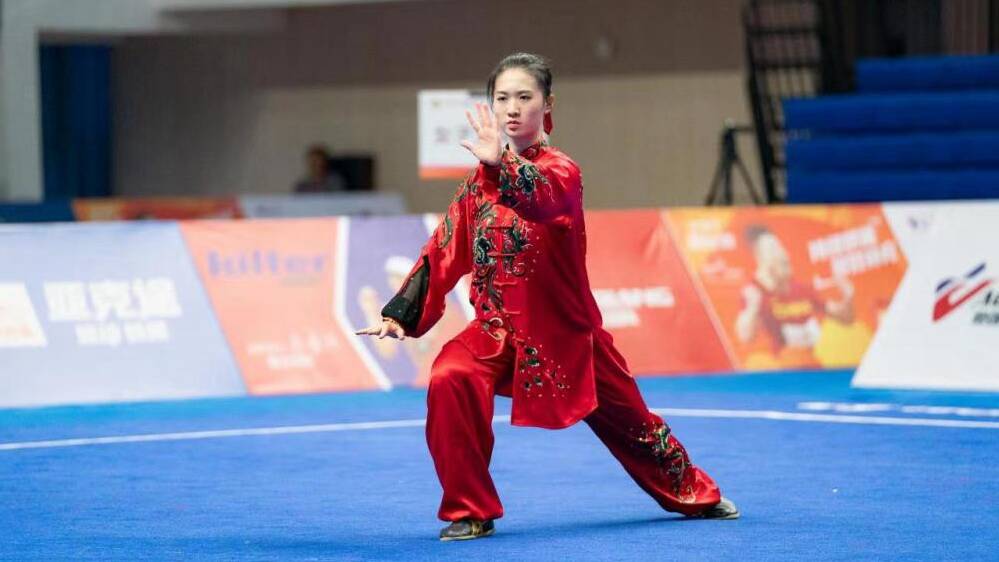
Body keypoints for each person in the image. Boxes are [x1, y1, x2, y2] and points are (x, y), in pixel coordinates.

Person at [356, 52, 738, 541]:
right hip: (495, 334)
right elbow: (443, 250)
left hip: (569, 338)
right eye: (502, 99)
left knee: (637, 428)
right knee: (450, 375)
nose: (512, 108)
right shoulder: (474, 189)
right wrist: (401, 315)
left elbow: (543, 200)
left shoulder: (562, 172)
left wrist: (502, 163)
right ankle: (470, 510)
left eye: (524, 97)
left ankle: (692, 492)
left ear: (547, 104)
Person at [735, 224, 855, 367]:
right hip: (780, 370)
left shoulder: (801, 289)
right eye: (773, 250)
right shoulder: (754, 293)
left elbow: (846, 318)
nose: (782, 254)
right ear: (759, 257)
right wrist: (753, 307)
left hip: (812, 366)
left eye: (781, 248)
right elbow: (745, 337)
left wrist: (848, 298)